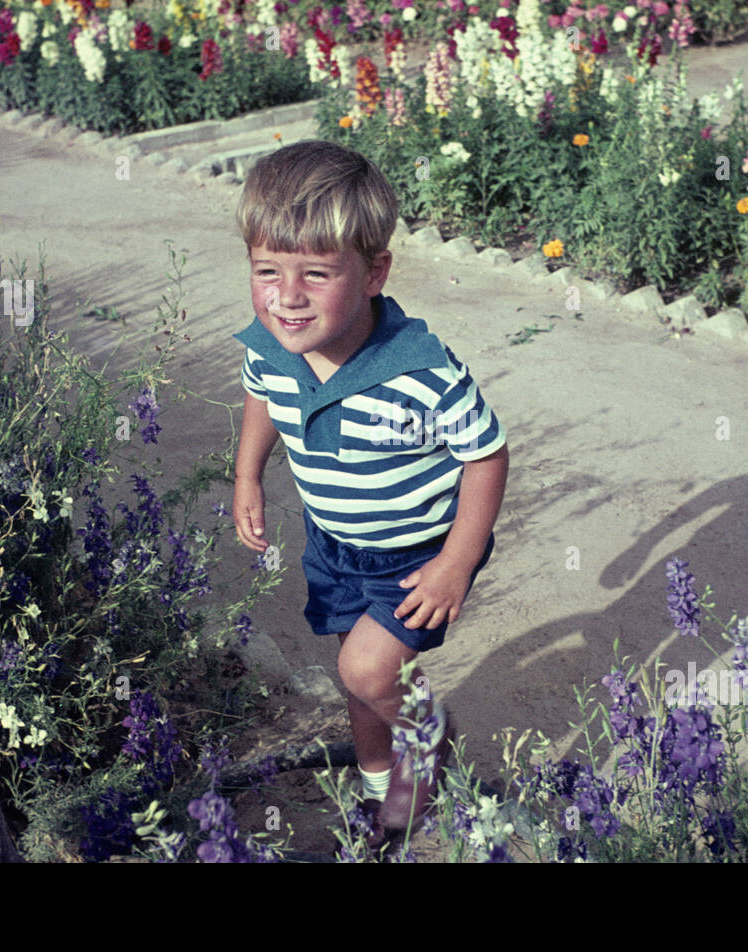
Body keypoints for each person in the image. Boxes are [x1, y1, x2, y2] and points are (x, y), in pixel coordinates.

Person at [230, 141, 509, 845]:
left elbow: (486, 455)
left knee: (365, 665)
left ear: (374, 271)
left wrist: (457, 559)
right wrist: (247, 474)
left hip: (417, 553)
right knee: (358, 683)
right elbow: (260, 397)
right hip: (338, 543)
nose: (286, 297)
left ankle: (433, 741)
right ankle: (388, 792)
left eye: (316, 274)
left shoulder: (420, 370)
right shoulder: (271, 345)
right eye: (267, 271)